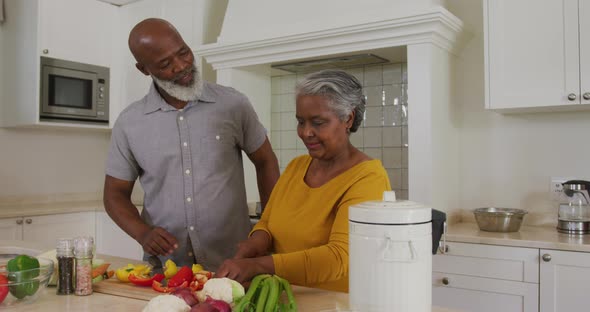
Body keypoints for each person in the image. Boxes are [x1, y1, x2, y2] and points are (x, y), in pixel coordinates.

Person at [103, 18, 280, 270]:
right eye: (165, 64)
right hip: (166, 269)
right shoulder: (129, 123)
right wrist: (142, 233)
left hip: (235, 263)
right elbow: (114, 194)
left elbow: (266, 161)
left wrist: (269, 227)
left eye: (183, 52)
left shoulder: (233, 104)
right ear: (143, 69)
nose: (182, 66)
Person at [216, 69, 391, 292]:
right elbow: (268, 222)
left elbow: (337, 258)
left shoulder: (368, 178)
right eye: (301, 121)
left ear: (348, 118)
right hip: (285, 297)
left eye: (318, 123)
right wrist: (256, 242)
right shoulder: (296, 166)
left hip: (334, 304)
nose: (306, 133)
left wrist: (258, 265)